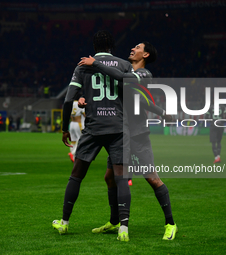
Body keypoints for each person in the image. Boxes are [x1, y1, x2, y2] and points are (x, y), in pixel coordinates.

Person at [78, 41, 177, 240]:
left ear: (146, 55)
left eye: (138, 47)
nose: (132, 49)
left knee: (152, 178)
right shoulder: (126, 73)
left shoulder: (143, 75)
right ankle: (115, 221)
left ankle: (170, 224)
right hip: (119, 134)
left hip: (137, 134)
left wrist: (95, 63)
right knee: (109, 177)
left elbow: (138, 97)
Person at [52, 30, 133, 242]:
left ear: (95, 46)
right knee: (121, 178)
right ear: (111, 46)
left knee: (76, 175)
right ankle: (123, 227)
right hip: (118, 127)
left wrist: (64, 128)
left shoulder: (83, 65)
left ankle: (65, 222)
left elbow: (67, 100)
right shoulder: (125, 65)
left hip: (94, 127)